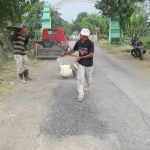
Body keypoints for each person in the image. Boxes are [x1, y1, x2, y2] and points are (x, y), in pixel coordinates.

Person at [60, 28, 94, 102]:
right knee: (80, 79)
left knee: (88, 80)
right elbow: (73, 50)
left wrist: (80, 57)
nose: (85, 38)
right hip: (81, 63)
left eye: (86, 36)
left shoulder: (90, 43)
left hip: (89, 64)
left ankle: (86, 88)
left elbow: (91, 54)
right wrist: (65, 53)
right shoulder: (78, 42)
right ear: (81, 35)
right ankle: (80, 95)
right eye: (84, 36)